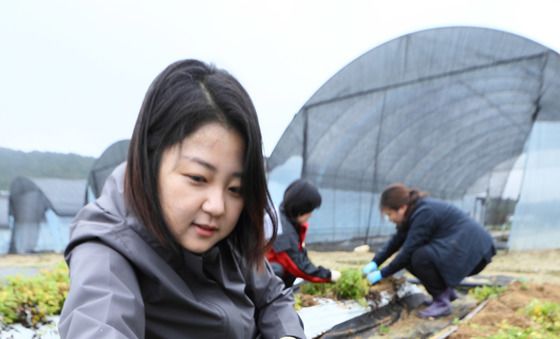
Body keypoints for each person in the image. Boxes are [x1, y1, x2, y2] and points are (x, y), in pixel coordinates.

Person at [59, 59, 305, 339]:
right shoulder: (108, 249)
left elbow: (272, 296)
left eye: (235, 188)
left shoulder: (230, 236)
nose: (217, 207)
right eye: (198, 178)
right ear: (151, 160)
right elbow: (98, 322)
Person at [362, 183, 495, 318]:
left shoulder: (424, 213)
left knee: (419, 256)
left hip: (475, 253)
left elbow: (408, 251)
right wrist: (374, 263)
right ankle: (445, 293)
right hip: (463, 249)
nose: (389, 219)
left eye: (389, 214)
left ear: (401, 208)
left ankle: (442, 302)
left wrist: (382, 274)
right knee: (412, 258)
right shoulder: (413, 213)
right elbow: (396, 241)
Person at [266, 179, 341, 287]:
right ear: (300, 209)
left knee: (286, 272)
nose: (311, 215)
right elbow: (298, 265)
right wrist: (328, 275)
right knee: (277, 271)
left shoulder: (287, 219)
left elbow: (299, 256)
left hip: (261, 269)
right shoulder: (282, 231)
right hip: (253, 275)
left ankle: (280, 296)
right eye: (310, 210)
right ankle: (266, 301)